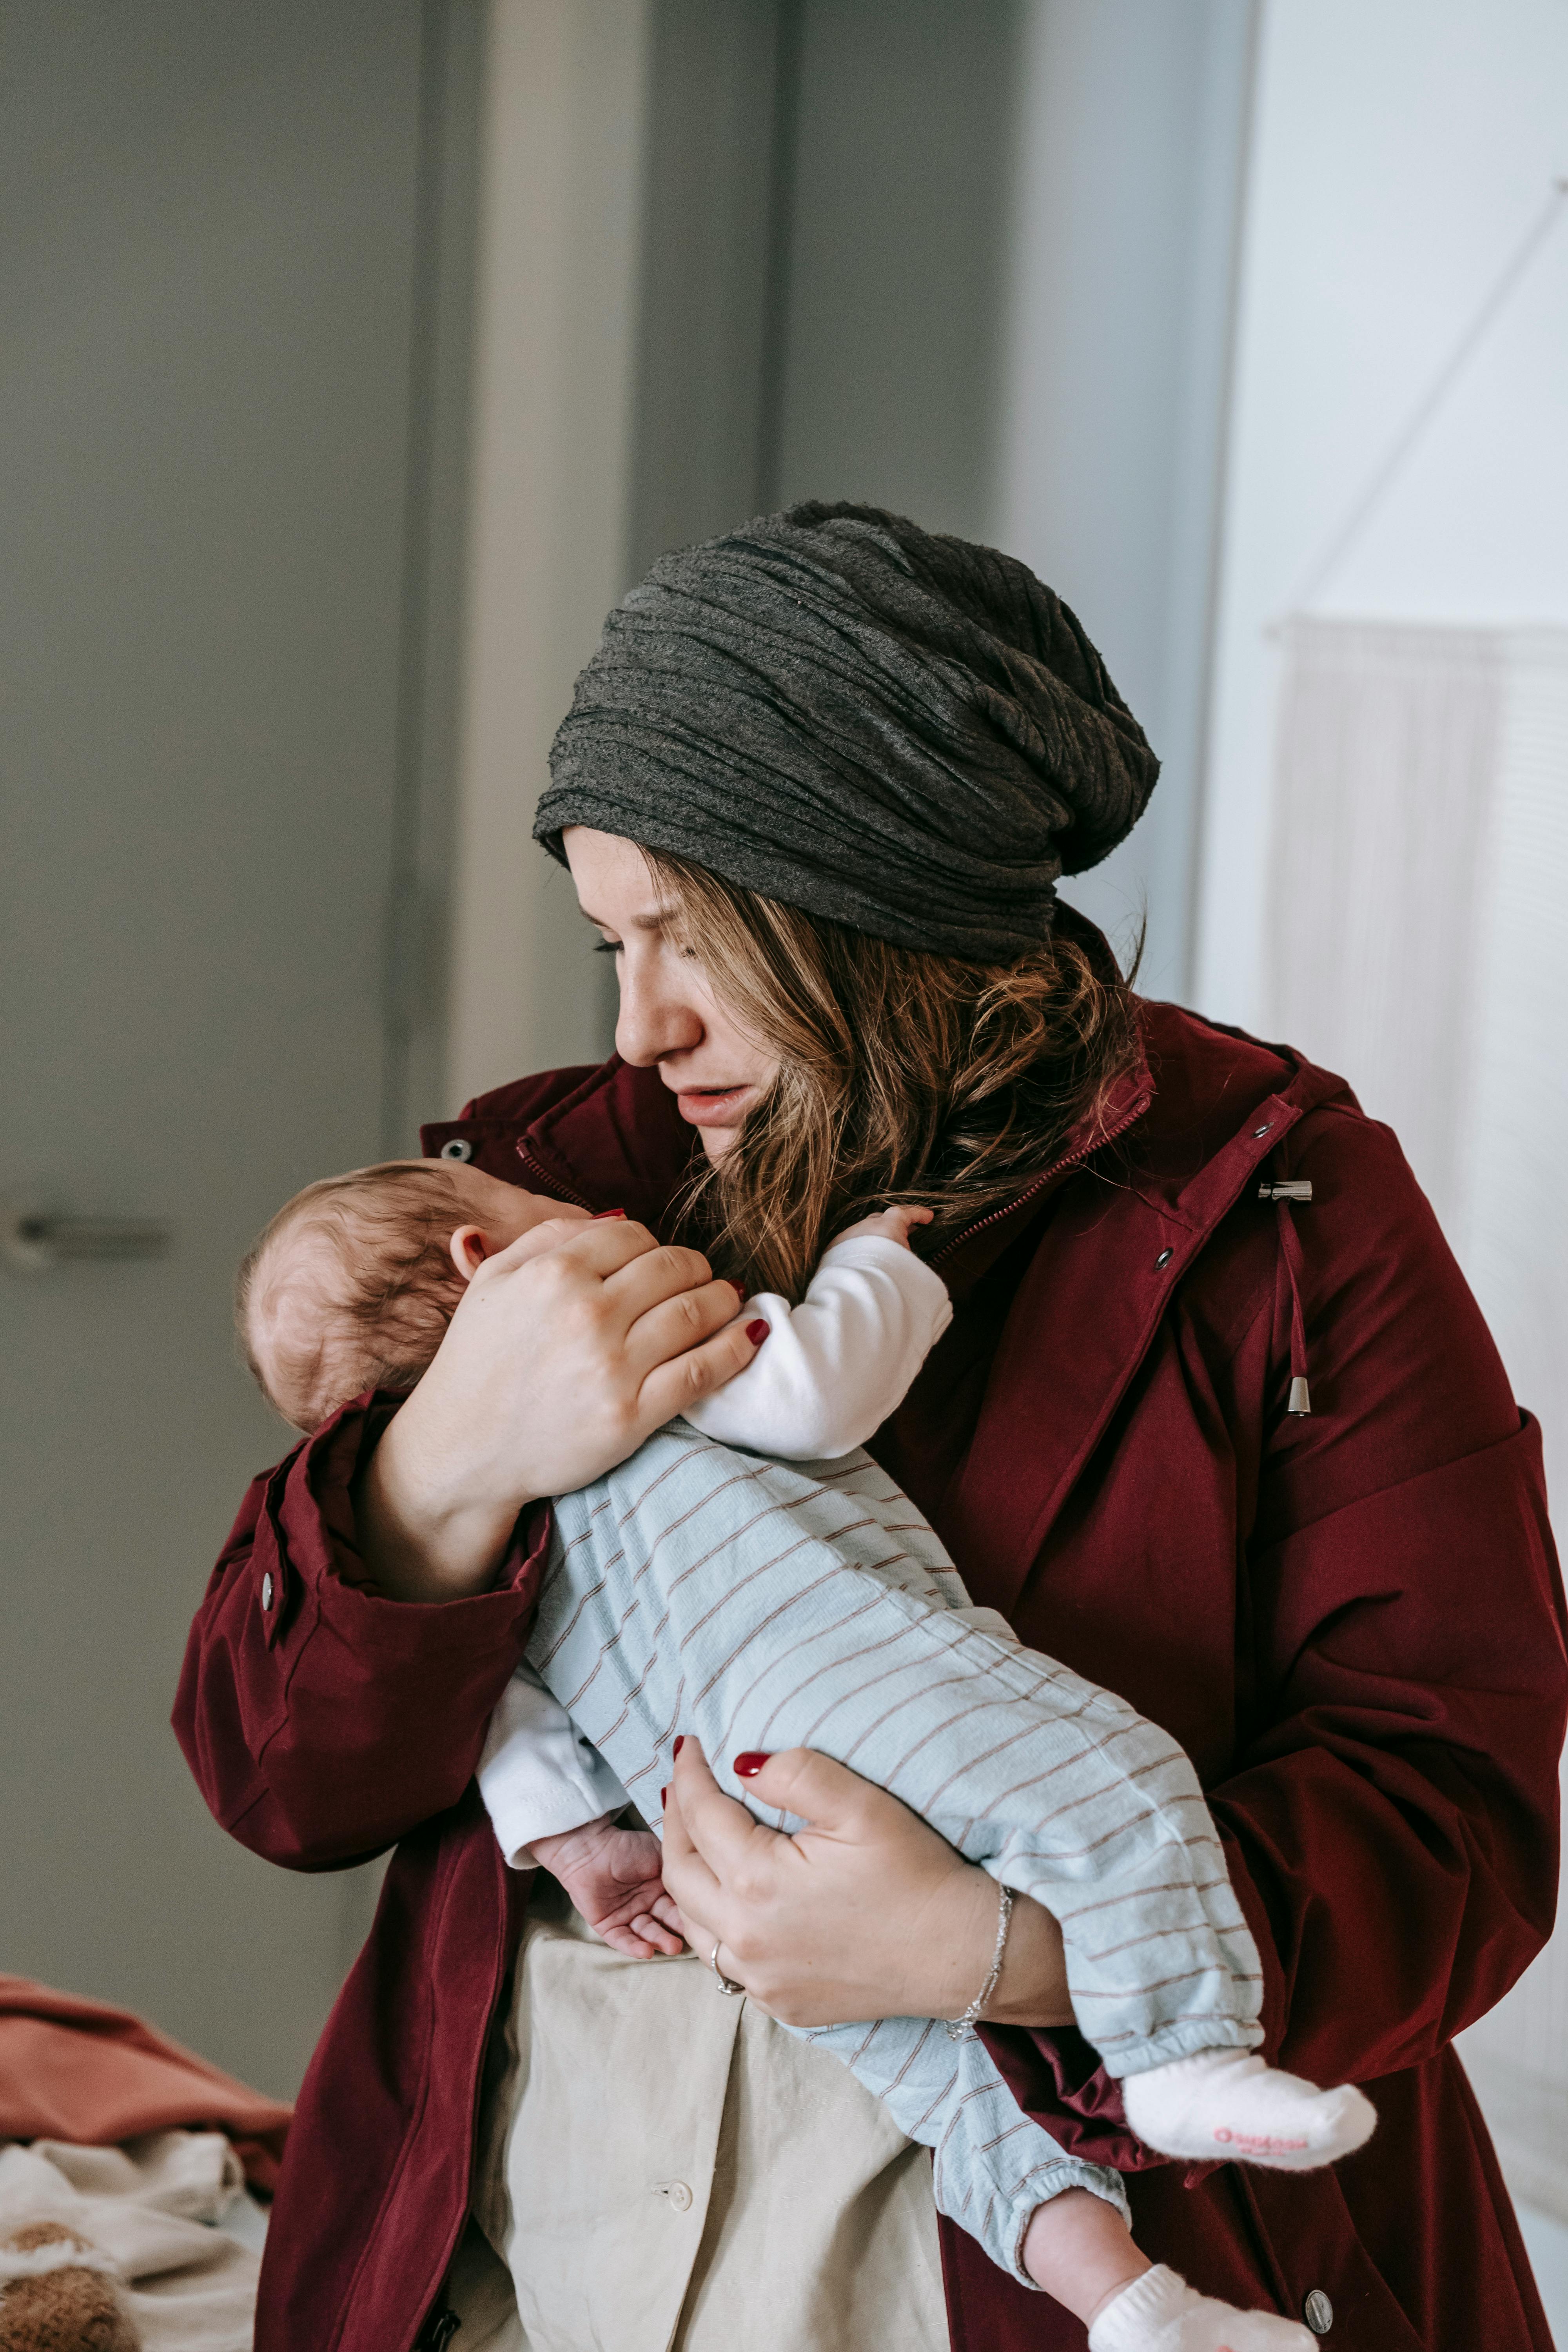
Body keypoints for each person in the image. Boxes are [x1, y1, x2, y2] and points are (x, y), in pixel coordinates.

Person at [175, 505, 1565, 2352]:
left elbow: (1452, 1809)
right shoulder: (538, 1187)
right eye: (605, 942)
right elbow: (279, 1781)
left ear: (870, 885)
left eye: (688, 936)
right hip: (539, 2246)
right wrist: (441, 1472)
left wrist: (998, 1955)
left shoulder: (1277, 1208)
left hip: (1020, 2265)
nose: (643, 1028)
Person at [233, 1151, 1376, 2345]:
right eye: (544, 1213)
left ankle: (1139, 2310)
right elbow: (817, 1395)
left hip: (719, 1843)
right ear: (493, 1260)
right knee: (1117, 1782)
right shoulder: (639, 1370)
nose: (589, 1215)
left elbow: (502, 1722)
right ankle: (1184, 2053)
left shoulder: (498, 1534)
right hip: (846, 1699)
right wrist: (875, 1259)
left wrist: (581, 1850)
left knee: (955, 2095)